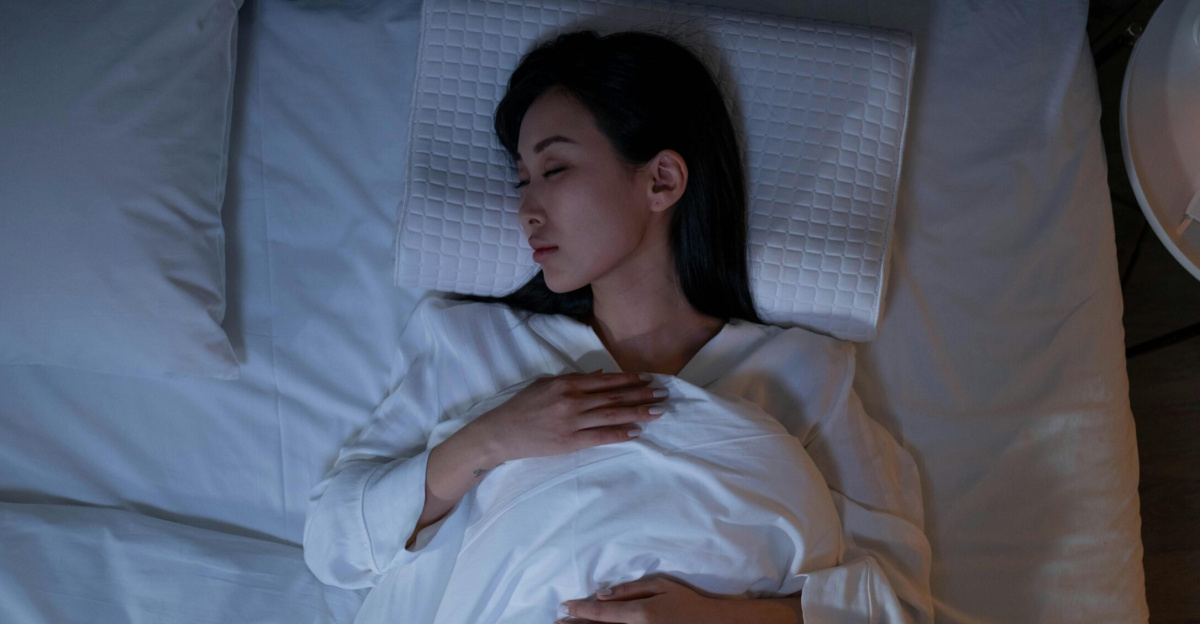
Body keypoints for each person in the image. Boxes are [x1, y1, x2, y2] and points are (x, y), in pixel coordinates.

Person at [304, 29, 933, 624]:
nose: (526, 209)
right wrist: (491, 438)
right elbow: (335, 546)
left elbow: (897, 604)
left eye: (554, 170)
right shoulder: (469, 342)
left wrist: (721, 618)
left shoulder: (803, 373)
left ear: (662, 179)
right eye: (521, 179)